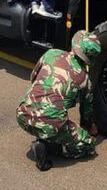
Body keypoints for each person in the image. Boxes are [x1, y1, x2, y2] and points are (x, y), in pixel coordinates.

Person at [16, 30, 101, 171]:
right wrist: (90, 129)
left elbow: (33, 78)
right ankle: (50, 146)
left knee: (51, 122)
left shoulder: (51, 54)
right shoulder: (85, 79)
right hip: (51, 123)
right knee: (88, 145)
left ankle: (45, 137)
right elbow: (86, 114)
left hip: (23, 115)